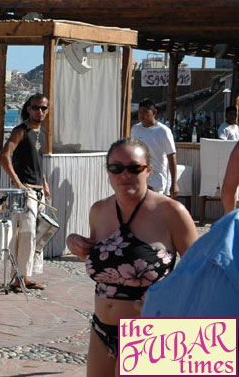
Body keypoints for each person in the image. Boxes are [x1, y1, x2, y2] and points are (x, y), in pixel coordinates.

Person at [66, 138, 197, 377]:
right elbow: (106, 253)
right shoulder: (99, 210)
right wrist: (74, 241)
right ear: (108, 171)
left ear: (148, 170)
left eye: (134, 168)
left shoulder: (171, 212)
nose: (125, 174)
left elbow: (198, 271)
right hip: (101, 329)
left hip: (148, 330)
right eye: (116, 168)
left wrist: (165, 294)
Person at [0, 93, 51, 292]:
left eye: (43, 108)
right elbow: (4, 155)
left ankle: (23, 276)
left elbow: (37, 162)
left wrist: (44, 184)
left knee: (33, 234)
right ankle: (19, 277)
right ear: (28, 108)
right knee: (26, 232)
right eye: (36, 107)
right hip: (24, 190)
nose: (39, 111)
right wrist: (17, 182)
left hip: (36, 189)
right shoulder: (20, 131)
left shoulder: (42, 132)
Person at [130, 98, 178, 197]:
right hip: (139, 177)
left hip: (157, 179)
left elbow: (171, 157)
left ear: (154, 112)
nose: (142, 115)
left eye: (145, 112)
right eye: (140, 112)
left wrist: (174, 183)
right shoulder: (135, 129)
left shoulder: (163, 131)